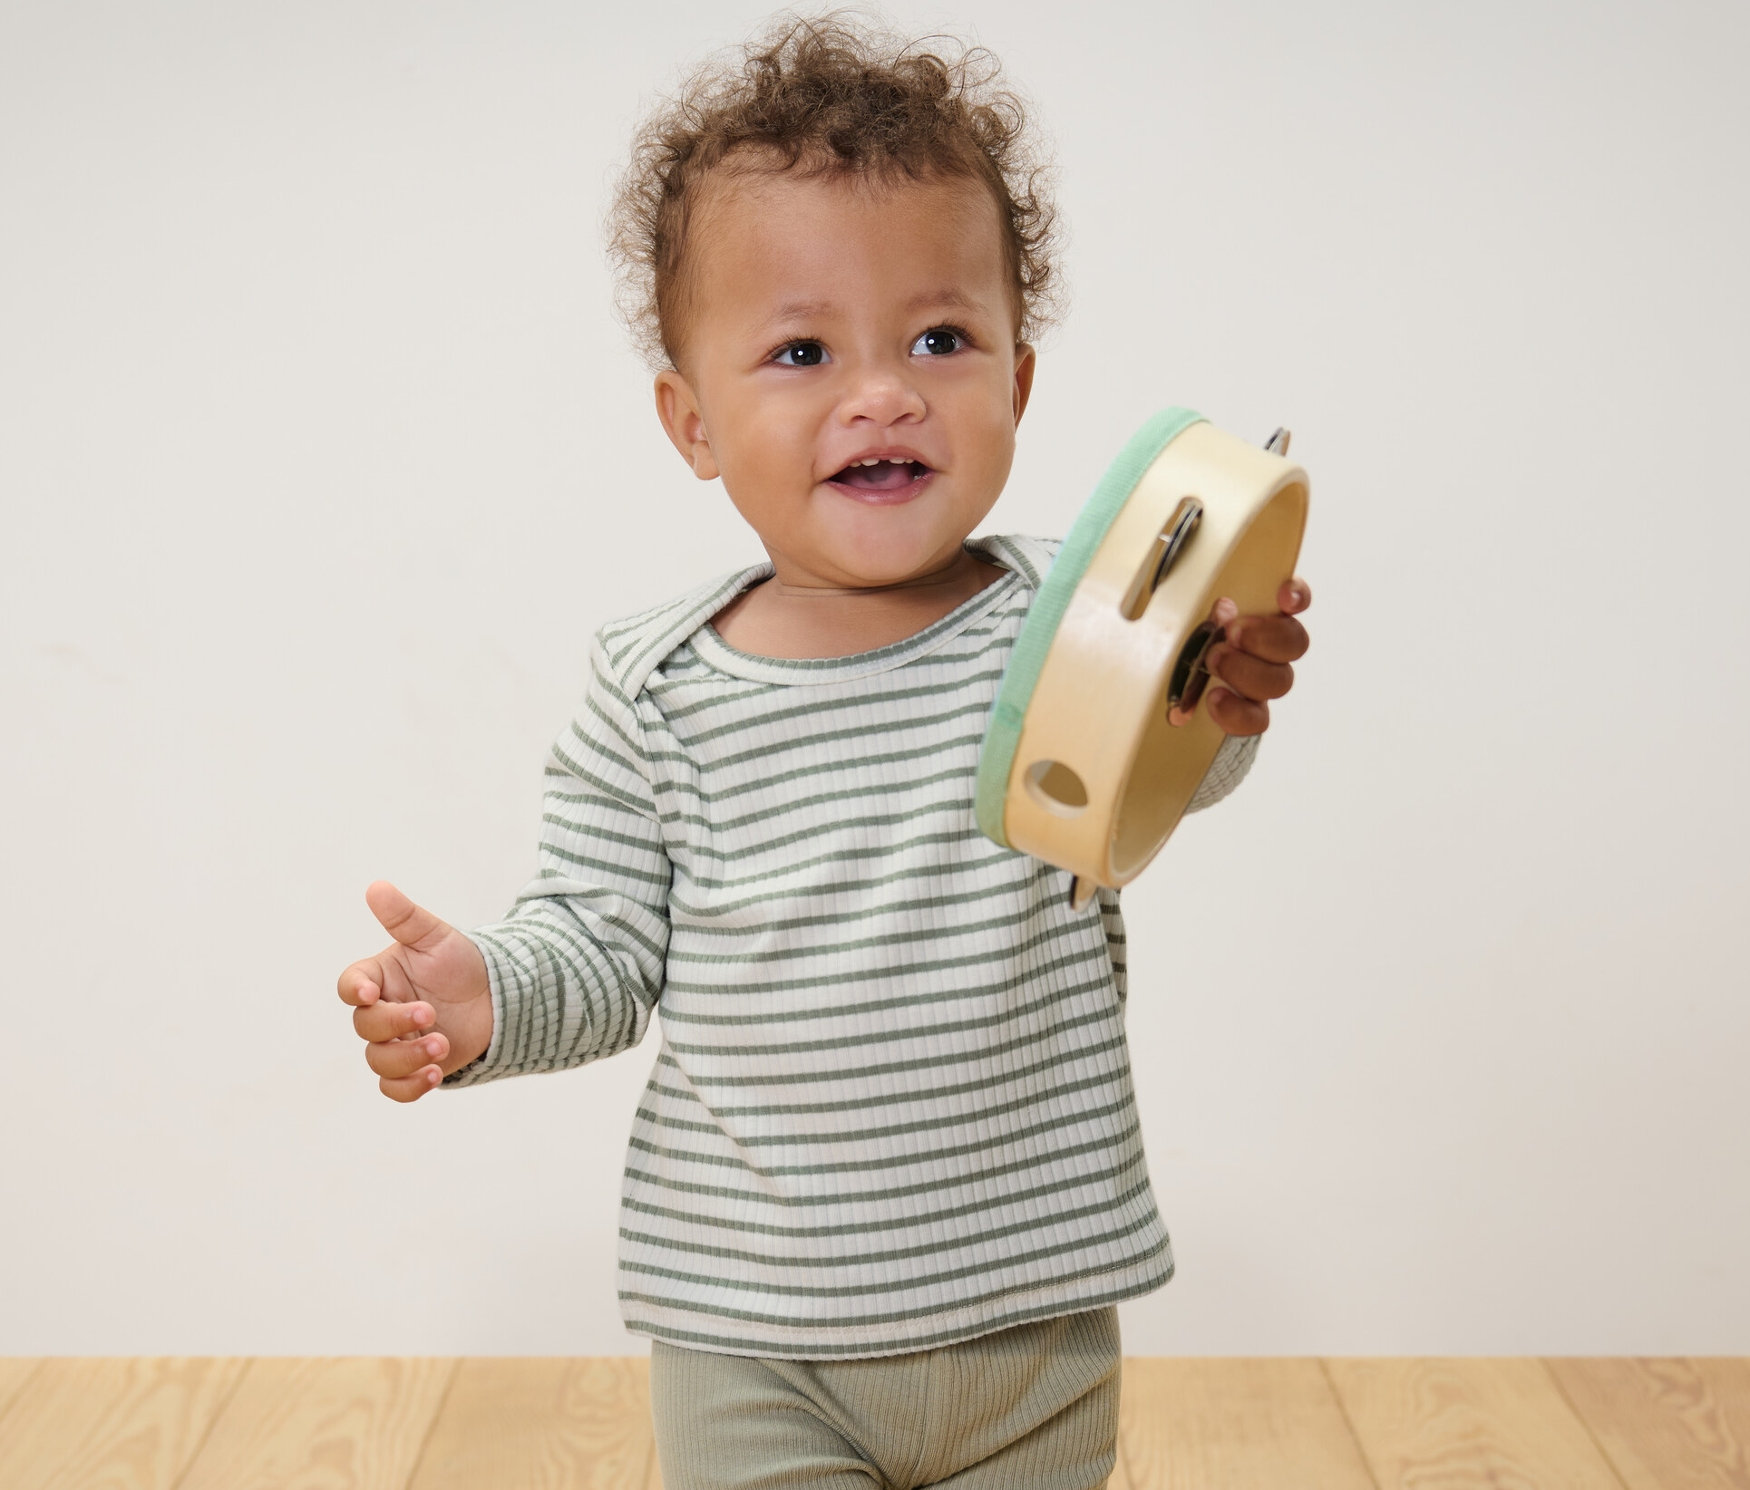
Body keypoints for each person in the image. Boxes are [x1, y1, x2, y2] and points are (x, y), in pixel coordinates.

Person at [336, 15, 1312, 1488]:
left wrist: (1214, 689)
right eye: (801, 351)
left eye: (940, 339)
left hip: (1034, 1321)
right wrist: (490, 996)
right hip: (755, 1340)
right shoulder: (656, 687)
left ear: (1018, 382)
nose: (883, 392)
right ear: (694, 423)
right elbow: (600, 943)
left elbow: (1155, 771)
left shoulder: (1068, 615)